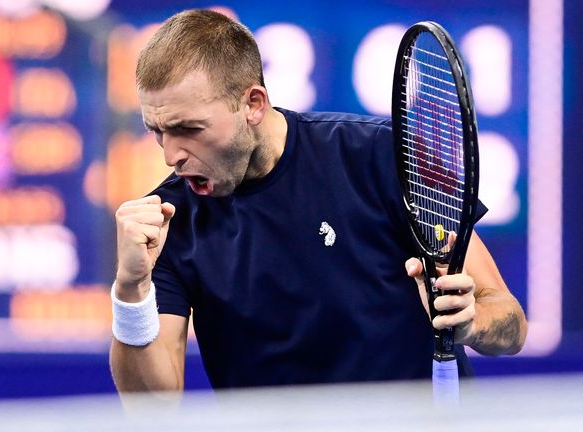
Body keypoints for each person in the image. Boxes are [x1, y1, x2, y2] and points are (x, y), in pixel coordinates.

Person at [109, 9, 527, 392]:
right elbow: (153, 405)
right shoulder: (165, 222)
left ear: (253, 104)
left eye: (189, 129)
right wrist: (131, 290)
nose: (171, 155)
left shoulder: (381, 157)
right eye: (158, 131)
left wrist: (471, 321)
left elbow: (510, 326)